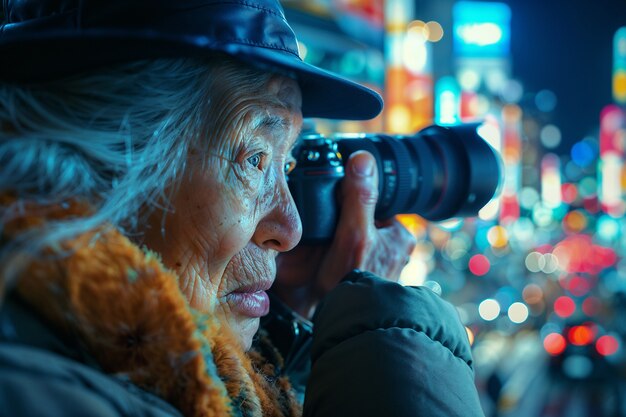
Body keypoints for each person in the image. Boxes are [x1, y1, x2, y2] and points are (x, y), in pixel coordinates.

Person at [0, 1, 484, 416]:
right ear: (103, 163)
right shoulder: (34, 389)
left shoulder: (145, 372)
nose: (289, 228)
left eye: (288, 162)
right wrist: (381, 337)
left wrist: (302, 332)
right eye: (254, 159)